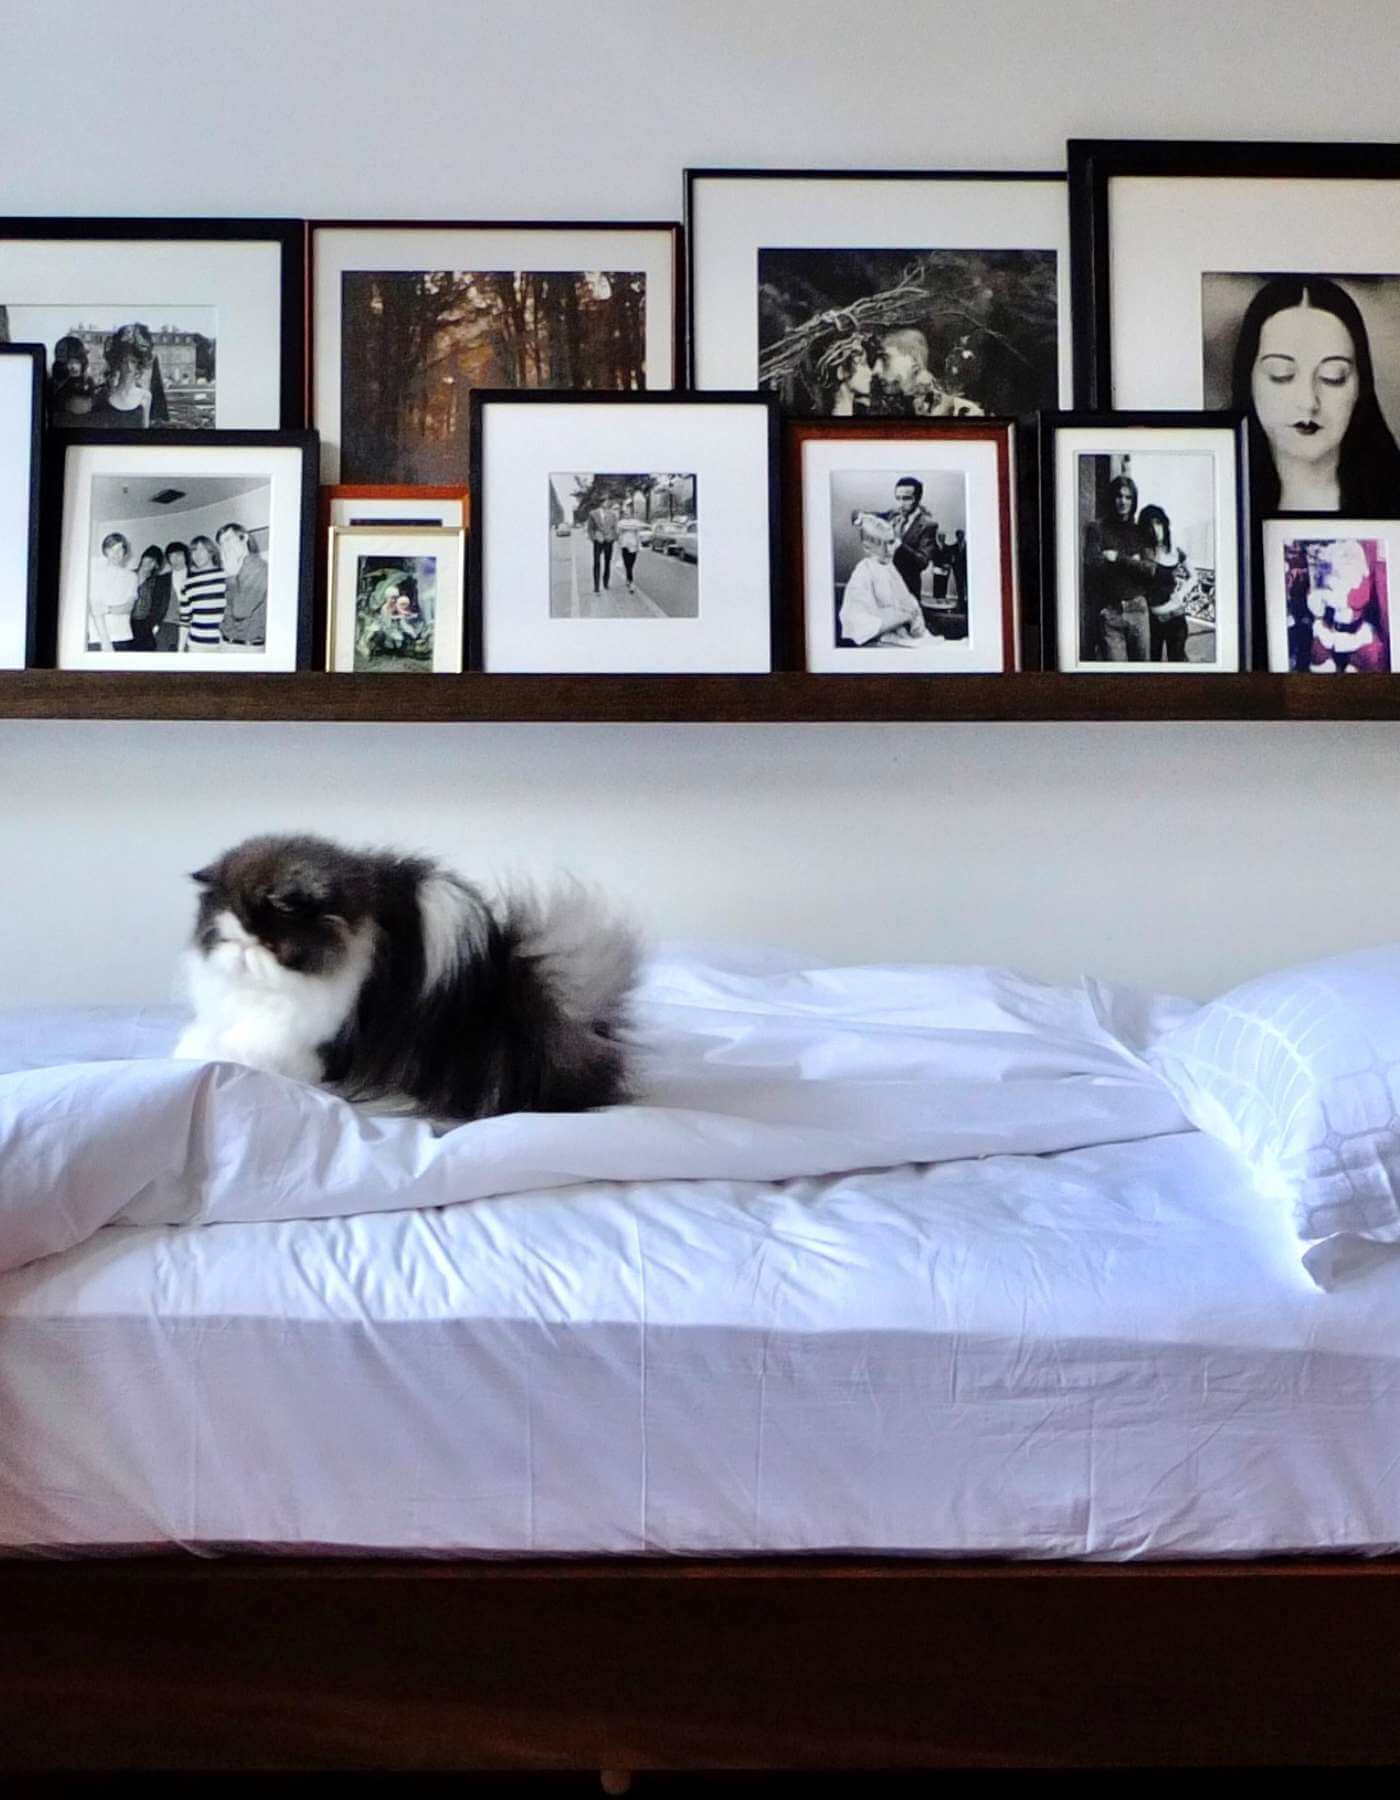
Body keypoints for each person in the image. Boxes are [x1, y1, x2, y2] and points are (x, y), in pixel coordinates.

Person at [1230, 276, 1400, 514]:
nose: (1308, 402)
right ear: (1247, 379)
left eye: (1333, 376)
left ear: (1361, 386)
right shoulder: (1219, 500)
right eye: (1281, 374)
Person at [1083, 474, 1153, 661]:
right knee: (1117, 677)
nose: (1123, 501)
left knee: (1142, 676)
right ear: (1112, 498)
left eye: (1128, 497)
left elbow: (1149, 570)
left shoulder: (1141, 531)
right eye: (1119, 496)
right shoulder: (1097, 529)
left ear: (1134, 500)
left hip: (1138, 611)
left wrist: (1117, 558)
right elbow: (1093, 566)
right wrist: (1134, 563)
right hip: (1111, 612)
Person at [1302, 536, 1389, 673]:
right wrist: (1318, 588)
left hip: (1357, 637)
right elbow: (1316, 607)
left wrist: (1336, 596)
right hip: (1327, 635)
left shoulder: (1356, 559)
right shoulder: (1323, 568)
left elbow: (1359, 599)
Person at [839, 514, 928, 647]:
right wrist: (903, 617)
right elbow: (856, 620)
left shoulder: (890, 568)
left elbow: (907, 600)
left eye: (891, 542)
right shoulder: (864, 571)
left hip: (901, 635)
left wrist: (915, 617)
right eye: (879, 544)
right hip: (878, 640)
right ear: (866, 547)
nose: (888, 550)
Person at [870, 476, 941, 611]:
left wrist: (899, 545)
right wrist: (860, 516)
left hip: (907, 590)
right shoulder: (893, 515)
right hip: (884, 587)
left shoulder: (928, 525)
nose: (901, 503)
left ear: (918, 499)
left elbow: (922, 562)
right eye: (898, 498)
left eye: (907, 498)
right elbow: (876, 516)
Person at [83, 322, 169, 429]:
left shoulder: (145, 396)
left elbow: (144, 433)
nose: (128, 367)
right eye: (124, 361)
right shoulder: (104, 395)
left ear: (138, 365)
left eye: (133, 362)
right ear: (118, 364)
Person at [1138, 505, 1193, 663]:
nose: (1155, 529)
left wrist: (1181, 594)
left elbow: (1193, 576)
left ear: (1164, 524)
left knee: (1177, 665)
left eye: (1158, 523)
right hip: (1151, 621)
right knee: (1153, 665)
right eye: (1149, 524)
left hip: (1176, 619)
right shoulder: (1143, 553)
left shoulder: (1175, 551)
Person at [217, 522, 268, 647]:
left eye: (228, 539)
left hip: (245, 646)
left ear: (244, 538)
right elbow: (227, 607)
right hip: (227, 641)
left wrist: (231, 577)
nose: (225, 547)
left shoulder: (257, 567)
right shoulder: (234, 568)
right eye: (221, 544)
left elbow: (240, 611)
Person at [87, 532, 138, 652]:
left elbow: (129, 607)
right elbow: (95, 609)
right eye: (112, 549)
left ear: (125, 552)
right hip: (99, 638)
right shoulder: (95, 574)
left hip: (124, 636)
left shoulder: (132, 576)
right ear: (105, 551)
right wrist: (105, 641)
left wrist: (107, 609)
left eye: (120, 549)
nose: (116, 554)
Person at [180, 535, 227, 649]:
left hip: (224, 644)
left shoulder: (226, 576)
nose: (197, 554)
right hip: (196, 645)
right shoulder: (187, 583)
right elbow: (185, 620)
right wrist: (180, 649)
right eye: (194, 551)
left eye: (202, 549)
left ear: (211, 552)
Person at [129, 543, 170, 652]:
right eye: (147, 558)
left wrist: (154, 624)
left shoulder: (157, 582)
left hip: (145, 626)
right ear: (142, 558)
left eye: (152, 561)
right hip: (125, 622)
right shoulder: (128, 575)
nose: (148, 563)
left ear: (156, 566)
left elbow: (160, 605)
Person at [49, 334, 95, 421]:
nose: (73, 367)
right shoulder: (53, 385)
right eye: (69, 362)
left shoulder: (88, 382)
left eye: (76, 362)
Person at [586, 495, 620, 593]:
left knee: (607, 562)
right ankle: (596, 586)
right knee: (597, 562)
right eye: (605, 501)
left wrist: (613, 538)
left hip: (609, 541)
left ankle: (606, 583)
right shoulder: (593, 514)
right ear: (601, 502)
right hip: (598, 541)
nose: (607, 503)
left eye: (607, 501)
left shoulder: (613, 514)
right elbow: (590, 529)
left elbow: (615, 528)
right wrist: (594, 538)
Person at [163, 541, 191, 652]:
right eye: (171, 556)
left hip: (190, 627)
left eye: (179, 555)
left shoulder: (195, 576)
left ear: (186, 556)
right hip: (167, 626)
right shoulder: (162, 579)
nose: (175, 559)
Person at [616, 507, 643, 593]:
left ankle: (628, 578)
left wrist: (639, 545)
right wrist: (630, 527)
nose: (627, 515)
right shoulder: (621, 522)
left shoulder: (636, 522)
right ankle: (631, 583)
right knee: (627, 564)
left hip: (633, 545)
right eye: (625, 513)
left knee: (631, 564)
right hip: (624, 545)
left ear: (631, 514)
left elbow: (638, 532)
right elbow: (619, 529)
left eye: (629, 513)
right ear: (624, 515)